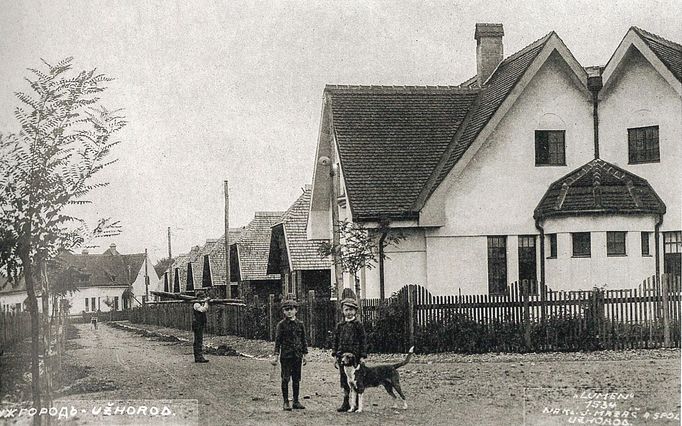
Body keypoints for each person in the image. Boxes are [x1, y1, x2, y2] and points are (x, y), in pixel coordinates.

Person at [272, 297, 308, 411]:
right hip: (286, 356)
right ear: (283, 311)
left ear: (296, 310)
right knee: (285, 378)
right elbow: (278, 341)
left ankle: (296, 401)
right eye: (286, 309)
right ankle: (286, 402)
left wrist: (305, 354)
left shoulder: (300, 324)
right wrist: (276, 355)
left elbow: (303, 340)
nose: (289, 311)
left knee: (296, 379)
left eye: (291, 309)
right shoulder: (281, 325)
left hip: (297, 356)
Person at [333, 297, 367, 412]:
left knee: (357, 378)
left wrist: (362, 356)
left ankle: (357, 403)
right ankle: (346, 402)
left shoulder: (358, 325)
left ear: (355, 311)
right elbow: (336, 341)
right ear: (342, 311)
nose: (349, 312)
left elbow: (363, 340)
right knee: (344, 379)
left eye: (351, 310)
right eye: (346, 310)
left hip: (355, 357)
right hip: (342, 357)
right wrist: (335, 355)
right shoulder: (340, 326)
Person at [192, 289, 210, 363]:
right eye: (202, 297)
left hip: (200, 323)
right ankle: (198, 357)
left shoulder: (199, 303)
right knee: (198, 340)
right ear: (198, 297)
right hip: (197, 324)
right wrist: (206, 302)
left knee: (199, 340)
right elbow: (203, 310)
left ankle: (198, 356)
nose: (203, 298)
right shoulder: (196, 304)